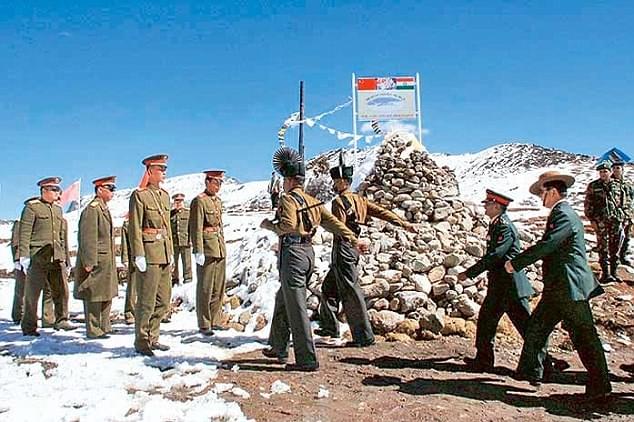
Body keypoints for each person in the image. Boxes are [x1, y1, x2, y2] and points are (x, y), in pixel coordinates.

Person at [505, 170, 611, 402]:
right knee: (536, 328)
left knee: (584, 335)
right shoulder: (561, 213)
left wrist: (516, 263)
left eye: (541, 193)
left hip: (569, 286)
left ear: (552, 191)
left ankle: (600, 385)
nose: (539, 198)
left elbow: (548, 244)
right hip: (559, 287)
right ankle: (532, 372)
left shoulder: (563, 214)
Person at [260, 147, 368, 372]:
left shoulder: (288, 200)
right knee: (284, 298)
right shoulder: (313, 201)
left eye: (285, 180)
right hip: (308, 254)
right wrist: (353, 239)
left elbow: (288, 226)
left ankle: (306, 359)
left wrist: (269, 225)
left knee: (297, 306)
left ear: (289, 180)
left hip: (292, 253)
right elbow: (333, 224)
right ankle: (277, 346)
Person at [316, 158, 417, 346]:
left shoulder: (338, 202)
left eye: (336, 181)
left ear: (343, 182)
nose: (334, 185)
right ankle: (329, 329)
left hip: (344, 248)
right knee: (329, 288)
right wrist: (403, 223)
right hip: (352, 249)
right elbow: (382, 212)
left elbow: (338, 227)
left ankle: (364, 337)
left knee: (351, 293)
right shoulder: (360, 200)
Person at [459, 190, 546, 372]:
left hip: (511, 286)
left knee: (526, 327)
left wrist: (470, 272)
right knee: (486, 321)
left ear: (497, 206)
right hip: (500, 286)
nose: (485, 207)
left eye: (488, 204)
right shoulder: (497, 224)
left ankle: (547, 363)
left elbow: (496, 255)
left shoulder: (504, 226)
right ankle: (483, 360)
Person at [128, 154, 174, 356]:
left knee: (163, 301)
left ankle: (153, 336)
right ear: (149, 172)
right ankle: (141, 340)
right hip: (148, 253)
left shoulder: (165, 196)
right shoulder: (140, 196)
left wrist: (170, 252)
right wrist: (138, 254)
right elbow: (135, 227)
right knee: (146, 300)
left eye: (164, 169)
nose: (164, 172)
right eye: (160, 169)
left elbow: (167, 227)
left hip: (163, 253)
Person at [18, 177, 76, 336]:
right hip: (38, 256)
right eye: (55, 190)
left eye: (59, 190)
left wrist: (66, 259)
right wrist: (24, 256)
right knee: (32, 293)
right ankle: (29, 326)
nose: (58, 193)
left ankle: (61, 320)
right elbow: (24, 233)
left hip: (56, 257)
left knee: (61, 291)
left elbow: (61, 237)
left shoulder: (58, 209)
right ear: (44, 190)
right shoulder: (32, 207)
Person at [74, 176, 118, 339]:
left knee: (106, 292)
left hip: (106, 259)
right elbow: (87, 237)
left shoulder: (103, 208)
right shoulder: (92, 209)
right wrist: (89, 261)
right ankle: (93, 329)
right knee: (94, 294)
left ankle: (104, 326)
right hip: (96, 259)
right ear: (100, 190)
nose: (113, 192)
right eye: (110, 188)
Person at [190, 170, 227, 335]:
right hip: (207, 248)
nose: (218, 186)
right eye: (216, 182)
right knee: (205, 287)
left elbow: (220, 226)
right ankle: (204, 323)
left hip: (219, 247)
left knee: (218, 286)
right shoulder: (200, 201)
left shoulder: (217, 201)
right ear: (207, 182)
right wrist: (198, 250)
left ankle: (215, 319)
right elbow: (196, 227)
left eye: (220, 183)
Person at [584, 160, 621, 282]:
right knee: (602, 247)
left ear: (610, 172)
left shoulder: (617, 185)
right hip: (600, 221)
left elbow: (623, 201)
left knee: (615, 247)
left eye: (605, 171)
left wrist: (623, 216)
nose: (603, 174)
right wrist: (591, 219)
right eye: (601, 172)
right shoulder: (593, 186)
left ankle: (614, 273)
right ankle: (605, 274)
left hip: (615, 220)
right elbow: (588, 204)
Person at [611, 159, 633, 267]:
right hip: (616, 216)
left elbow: (631, 199)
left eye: (618, 168)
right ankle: (614, 258)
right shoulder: (610, 183)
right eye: (614, 168)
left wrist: (630, 214)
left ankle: (623, 256)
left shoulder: (628, 184)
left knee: (626, 238)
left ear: (622, 169)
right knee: (615, 238)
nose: (616, 170)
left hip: (627, 215)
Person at [170, 193, 192, 285]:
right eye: (176, 201)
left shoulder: (188, 213)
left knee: (187, 262)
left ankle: (188, 279)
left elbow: (191, 227)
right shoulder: (170, 214)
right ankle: (175, 279)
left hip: (185, 241)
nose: (178, 203)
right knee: (174, 262)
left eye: (180, 201)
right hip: (174, 242)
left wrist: (191, 240)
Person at [120, 214, 136, 325]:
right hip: (134, 258)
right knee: (133, 287)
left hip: (151, 256)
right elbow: (125, 243)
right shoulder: (128, 224)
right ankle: (130, 312)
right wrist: (125, 258)